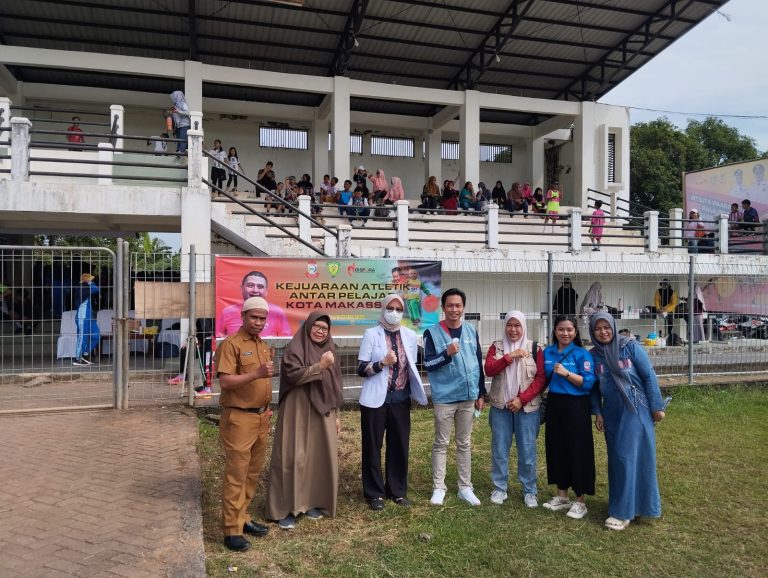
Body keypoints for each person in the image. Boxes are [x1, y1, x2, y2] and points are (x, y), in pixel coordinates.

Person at [266, 311, 343, 530]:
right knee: (292, 456)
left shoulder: (330, 350)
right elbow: (293, 375)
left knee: (317, 456)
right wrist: (320, 366)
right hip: (297, 408)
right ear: (308, 326)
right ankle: (285, 508)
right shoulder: (294, 348)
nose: (320, 331)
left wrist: (337, 414)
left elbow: (334, 385)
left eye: (324, 328)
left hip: (323, 410)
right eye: (316, 326)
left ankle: (310, 502)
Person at [589, 312, 666, 531]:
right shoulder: (594, 355)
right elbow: (593, 388)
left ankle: (622, 512)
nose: (603, 332)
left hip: (635, 408)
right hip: (612, 412)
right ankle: (635, 506)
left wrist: (657, 406)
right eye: (597, 328)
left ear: (613, 327)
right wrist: (598, 412)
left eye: (607, 327)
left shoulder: (630, 347)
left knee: (627, 456)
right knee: (617, 459)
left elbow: (648, 375)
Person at [357, 295, 428, 511]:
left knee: (399, 445)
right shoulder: (371, 334)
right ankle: (374, 493)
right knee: (372, 445)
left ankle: (397, 491)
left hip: (400, 399)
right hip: (374, 401)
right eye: (390, 308)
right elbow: (361, 369)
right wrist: (382, 363)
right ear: (383, 309)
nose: (394, 312)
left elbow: (410, 367)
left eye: (398, 309)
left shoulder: (409, 335)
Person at [215, 297, 274, 551]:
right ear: (243, 316)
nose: (258, 322)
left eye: (262, 318)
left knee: (252, 472)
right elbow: (225, 382)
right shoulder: (231, 344)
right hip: (239, 418)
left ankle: (243, 518)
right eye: (254, 317)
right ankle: (231, 530)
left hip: (261, 417)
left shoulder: (262, 345)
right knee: (237, 474)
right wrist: (256, 373)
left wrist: (266, 410)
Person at [423, 288, 486, 507]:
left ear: (463, 307)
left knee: (464, 443)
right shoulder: (432, 333)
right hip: (445, 397)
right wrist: (446, 354)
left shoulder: (470, 330)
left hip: (468, 397)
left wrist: (480, 392)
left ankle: (465, 487)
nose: (454, 309)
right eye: (450, 305)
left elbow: (477, 361)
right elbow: (428, 364)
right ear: (443, 308)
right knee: (441, 443)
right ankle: (438, 487)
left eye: (458, 305)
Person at [484, 310, 546, 508]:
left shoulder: (535, 348)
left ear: (523, 327)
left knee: (527, 450)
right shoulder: (496, 347)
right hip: (500, 407)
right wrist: (510, 356)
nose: (513, 329)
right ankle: (499, 487)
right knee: (499, 450)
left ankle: (529, 490)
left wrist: (522, 399)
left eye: (517, 325)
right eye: (509, 325)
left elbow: (541, 379)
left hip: (526, 409)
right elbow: (489, 369)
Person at [541, 314, 596, 520]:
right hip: (555, 404)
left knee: (578, 450)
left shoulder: (582, 354)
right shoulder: (548, 352)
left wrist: (566, 373)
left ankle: (580, 501)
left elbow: (588, 383)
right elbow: (542, 378)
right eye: (561, 329)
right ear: (555, 331)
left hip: (576, 405)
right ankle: (561, 495)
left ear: (575, 332)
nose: (565, 333)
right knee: (556, 448)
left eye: (569, 330)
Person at [216, 271, 291, 338]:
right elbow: (219, 341)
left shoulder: (277, 312)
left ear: (266, 291)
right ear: (241, 288)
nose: (255, 290)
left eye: (260, 286)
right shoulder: (227, 312)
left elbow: (285, 342)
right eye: (250, 285)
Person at [73, 273, 100, 366]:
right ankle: (78, 358)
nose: (92, 281)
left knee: (96, 335)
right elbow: (96, 289)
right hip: (83, 316)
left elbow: (96, 289)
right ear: (86, 280)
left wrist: (89, 283)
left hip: (90, 316)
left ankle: (85, 353)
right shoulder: (81, 288)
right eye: (90, 280)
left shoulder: (86, 288)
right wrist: (90, 283)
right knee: (82, 337)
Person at [653, 278, 678, 343]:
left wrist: (666, 310)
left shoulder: (673, 292)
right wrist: (658, 309)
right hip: (660, 309)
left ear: (669, 285)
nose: (664, 285)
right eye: (663, 284)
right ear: (661, 284)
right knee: (660, 323)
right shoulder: (658, 291)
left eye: (666, 284)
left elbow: (674, 303)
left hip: (669, 310)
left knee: (670, 323)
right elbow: (656, 300)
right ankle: (660, 337)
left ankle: (668, 336)